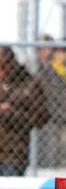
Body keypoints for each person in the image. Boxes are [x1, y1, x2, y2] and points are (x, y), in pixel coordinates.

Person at [0, 47, 50, 175]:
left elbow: (42, 118)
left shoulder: (28, 83)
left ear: (12, 63)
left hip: (12, 153)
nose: (2, 72)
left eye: (4, 66)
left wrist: (10, 113)